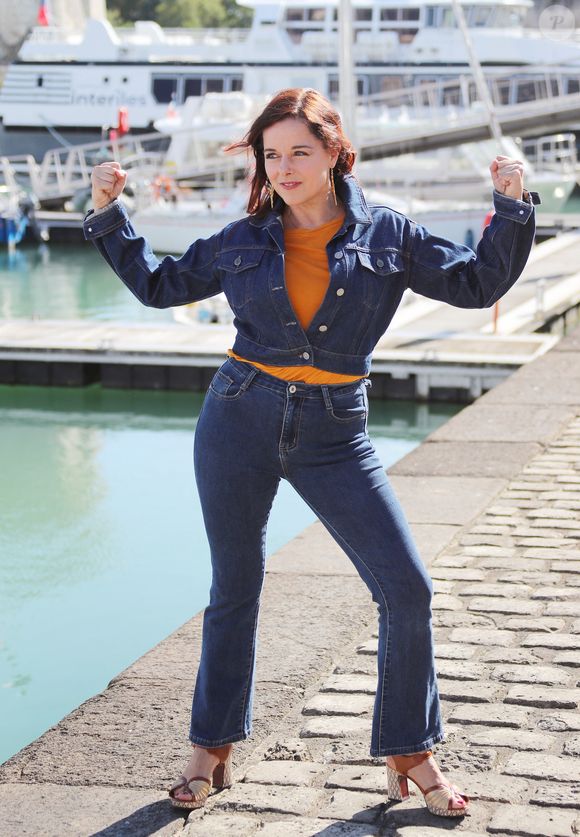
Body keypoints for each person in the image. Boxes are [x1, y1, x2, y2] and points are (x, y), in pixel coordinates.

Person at [84, 87, 540, 819]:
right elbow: (160, 283)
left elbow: (476, 281)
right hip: (238, 415)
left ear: (334, 151)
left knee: (407, 588)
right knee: (235, 585)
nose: (285, 166)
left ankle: (410, 750)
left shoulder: (388, 234)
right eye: (273, 154)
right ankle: (209, 749)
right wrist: (110, 213)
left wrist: (512, 207)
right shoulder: (243, 237)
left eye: (300, 150)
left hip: (336, 430)